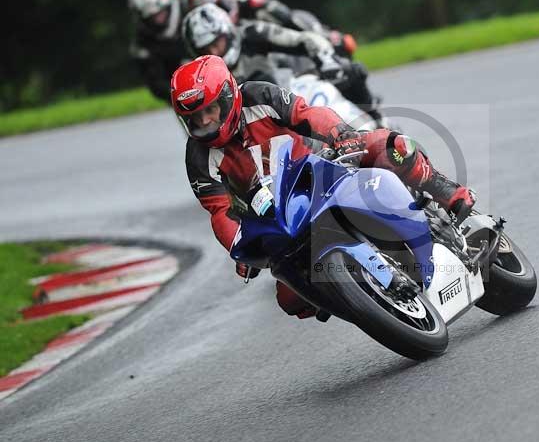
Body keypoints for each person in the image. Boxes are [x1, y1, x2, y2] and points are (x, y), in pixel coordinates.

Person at [171, 55, 474, 319]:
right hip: (279, 215)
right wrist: (238, 247)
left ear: (227, 96)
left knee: (385, 145)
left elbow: (306, 113)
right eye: (195, 118)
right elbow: (219, 211)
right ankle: (357, 297)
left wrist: (340, 134)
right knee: (289, 298)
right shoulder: (197, 157)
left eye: (209, 111)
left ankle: (446, 192)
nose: (205, 122)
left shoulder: (259, 95)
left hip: (320, 167)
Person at [181, 3, 380, 117]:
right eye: (205, 49)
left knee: (350, 73)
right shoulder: (201, 74)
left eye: (217, 42)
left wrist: (327, 61)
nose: (214, 51)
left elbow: (305, 39)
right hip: (250, 123)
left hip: (288, 98)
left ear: (227, 32)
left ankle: (379, 126)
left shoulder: (253, 33)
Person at [182, 0, 357, 58]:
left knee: (300, 17)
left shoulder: (252, 4)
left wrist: (323, 38)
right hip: (250, 77)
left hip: (284, 56)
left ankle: (327, 40)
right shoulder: (201, 41)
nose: (214, 15)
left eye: (218, 6)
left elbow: (289, 18)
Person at [127, 0, 188, 101]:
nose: (158, 19)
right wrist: (182, 97)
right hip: (183, 94)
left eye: (161, 13)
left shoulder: (191, 15)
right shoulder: (143, 44)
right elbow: (156, 84)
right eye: (152, 16)